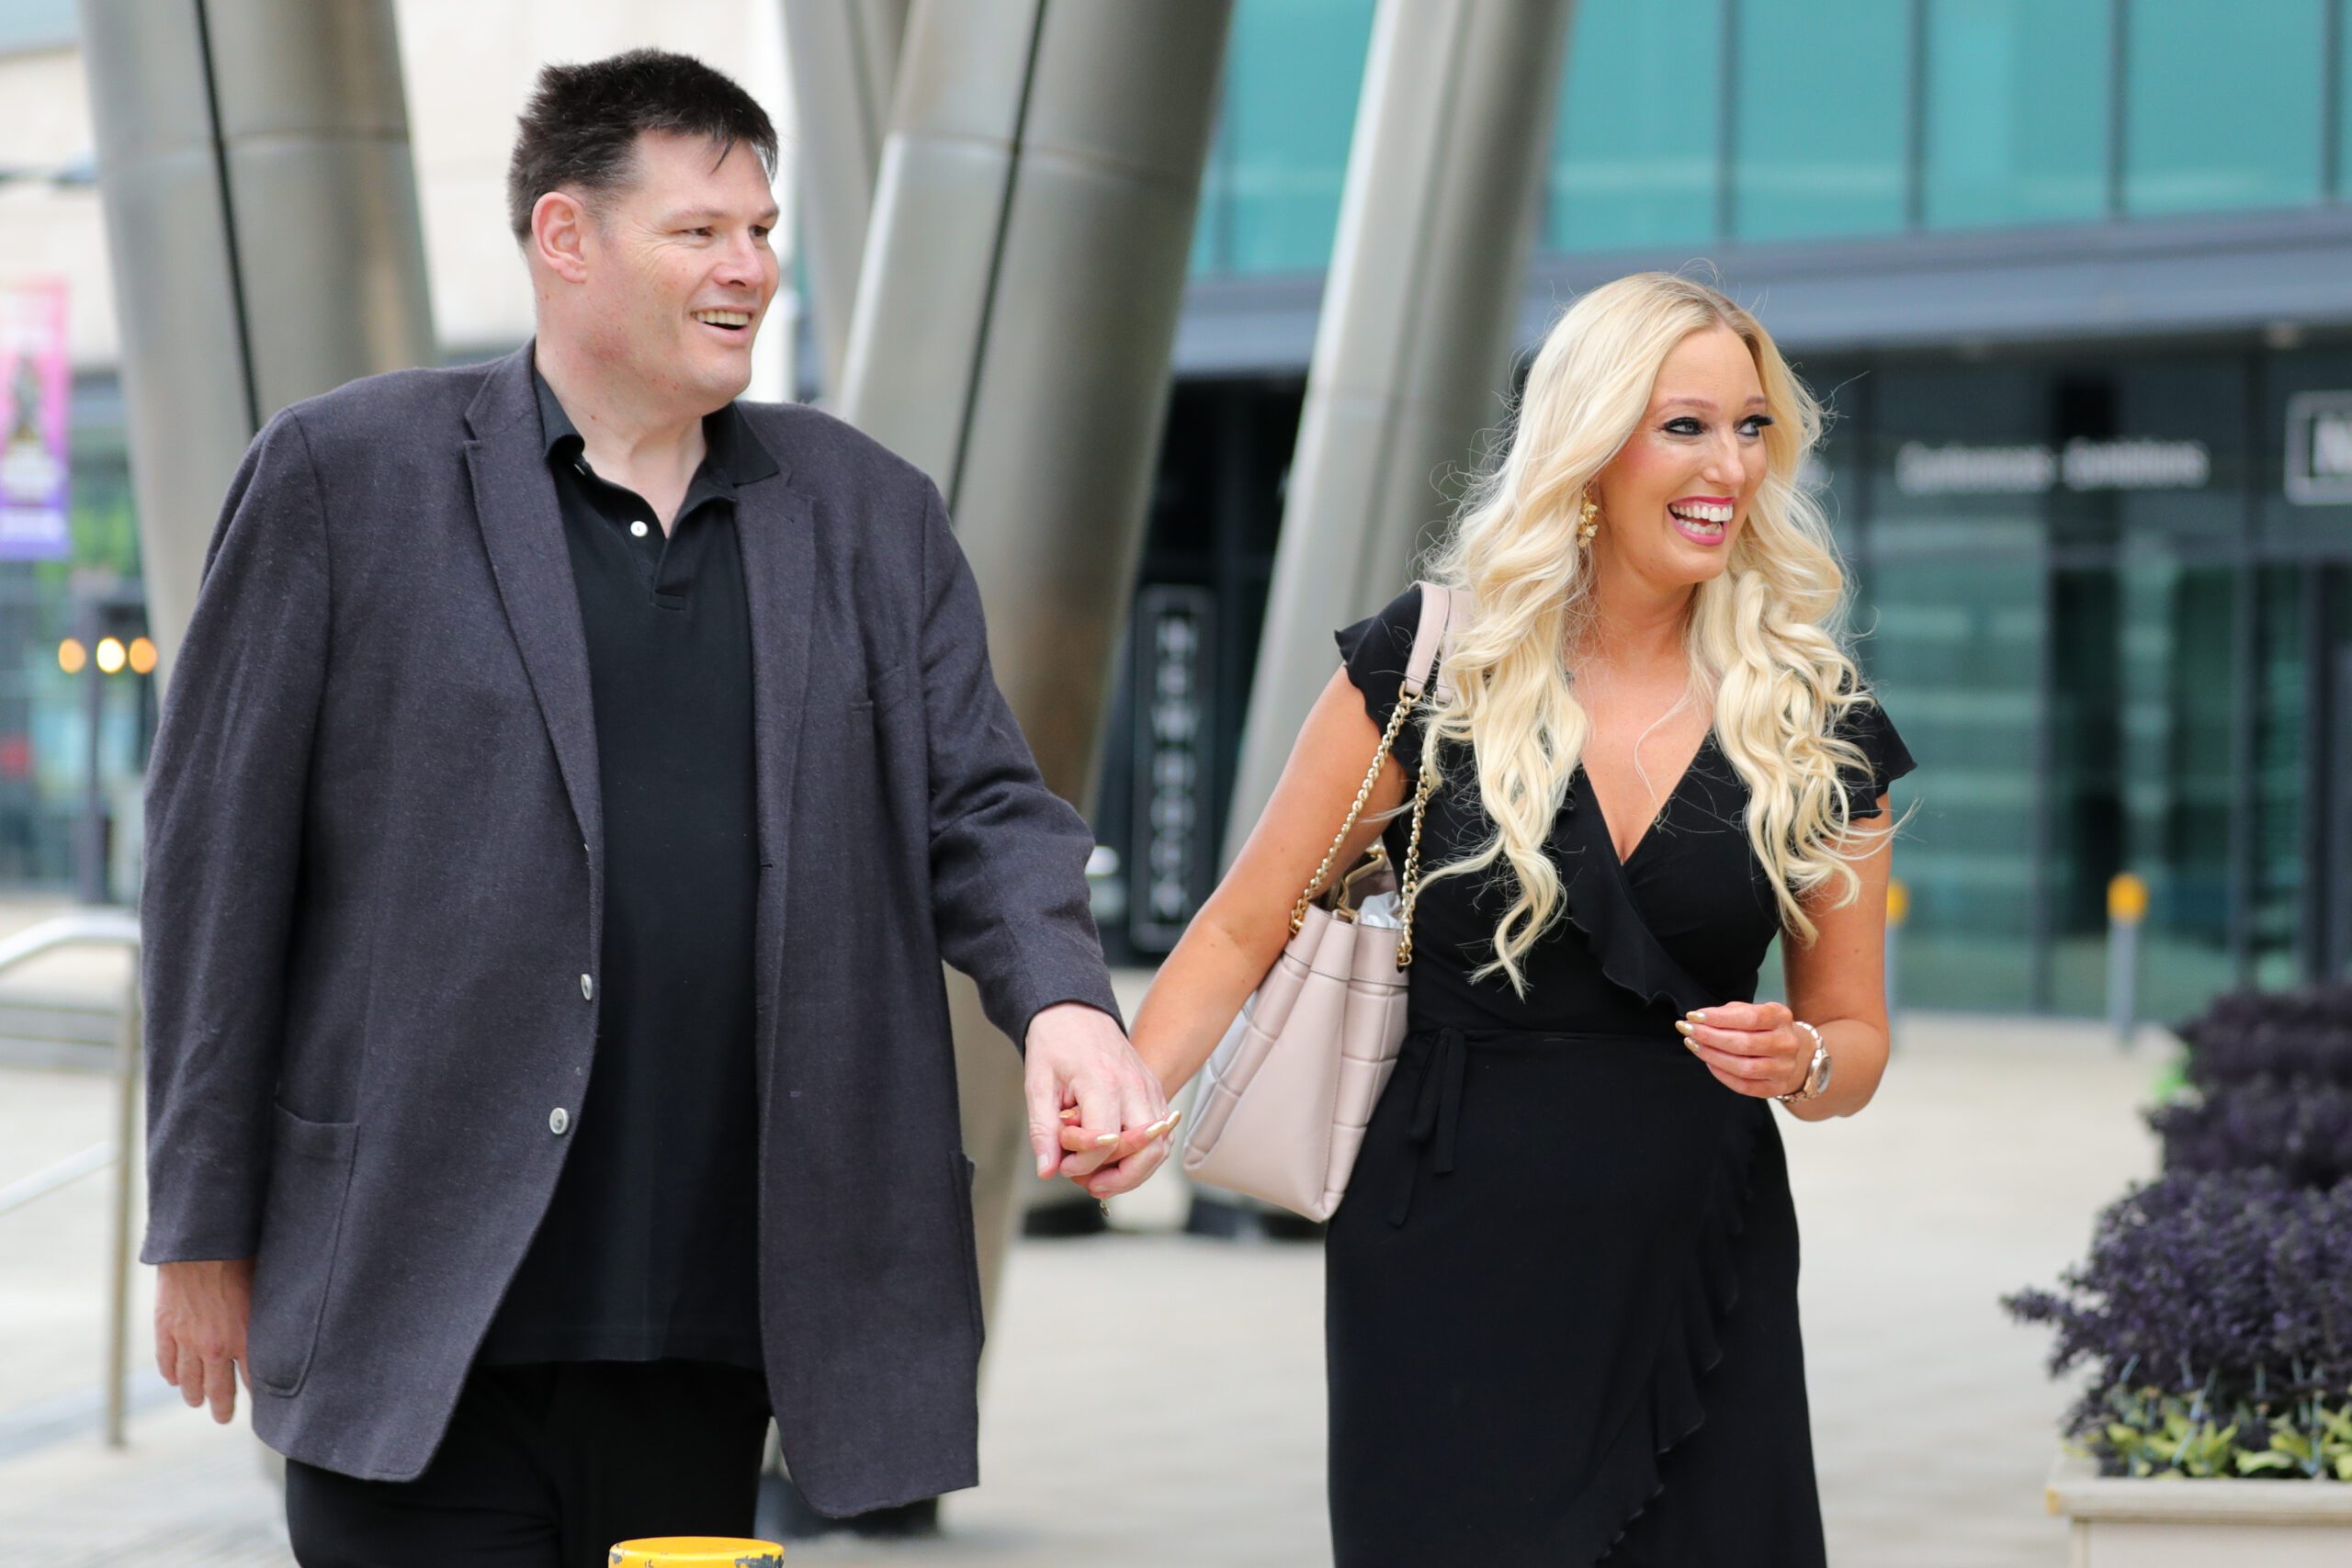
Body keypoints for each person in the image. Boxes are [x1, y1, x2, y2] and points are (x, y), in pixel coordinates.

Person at [139, 48, 1172, 1566]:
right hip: (417, 1306)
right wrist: (200, 1225)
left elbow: (985, 805)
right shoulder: (344, 478)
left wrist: (1069, 1006)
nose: (748, 267)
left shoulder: (868, 513)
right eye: (701, 231)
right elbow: (217, 874)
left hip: (719, 1326)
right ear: (568, 237)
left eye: (760, 229)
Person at [1119, 273, 1915, 1565]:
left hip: (1698, 1248)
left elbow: (1857, 1039)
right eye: (1686, 426)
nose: (1731, 465)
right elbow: (1240, 924)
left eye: (1753, 428)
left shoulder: (1812, 718)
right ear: (1591, 444)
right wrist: (1132, 1097)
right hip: (1445, 1253)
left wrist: (1809, 1062)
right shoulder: (1437, 661)